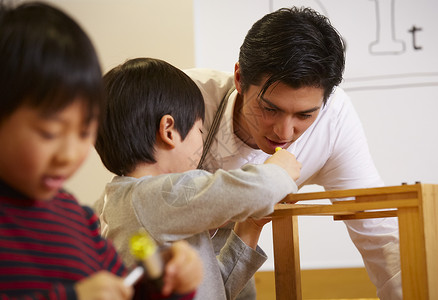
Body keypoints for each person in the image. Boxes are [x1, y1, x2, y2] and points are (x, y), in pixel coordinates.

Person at [184, 6, 401, 300]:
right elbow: (137, 200)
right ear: (239, 78)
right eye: (269, 109)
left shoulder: (334, 120)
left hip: (234, 265)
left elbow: (379, 234)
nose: (284, 134)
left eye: (304, 115)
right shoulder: (186, 98)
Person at [0, 2, 202, 300]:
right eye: (50, 132)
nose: (69, 154)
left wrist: (166, 283)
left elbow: (123, 291)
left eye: (84, 132)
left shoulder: (76, 218)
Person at [93, 57, 302, 300]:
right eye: (199, 130)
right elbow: (257, 189)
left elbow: (213, 291)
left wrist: (250, 228)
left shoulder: (125, 202)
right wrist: (279, 170)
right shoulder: (156, 195)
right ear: (169, 131)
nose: (201, 141)